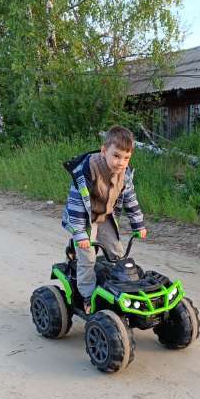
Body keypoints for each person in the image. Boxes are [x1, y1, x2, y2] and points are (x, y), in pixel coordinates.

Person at [61, 126, 147, 314]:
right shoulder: (85, 173)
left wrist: (138, 224)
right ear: (103, 151)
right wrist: (80, 235)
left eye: (126, 158)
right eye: (116, 156)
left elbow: (131, 200)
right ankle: (87, 296)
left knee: (117, 253)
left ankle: (116, 291)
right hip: (83, 219)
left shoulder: (124, 175)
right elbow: (75, 208)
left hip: (104, 215)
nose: (121, 162)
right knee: (88, 258)